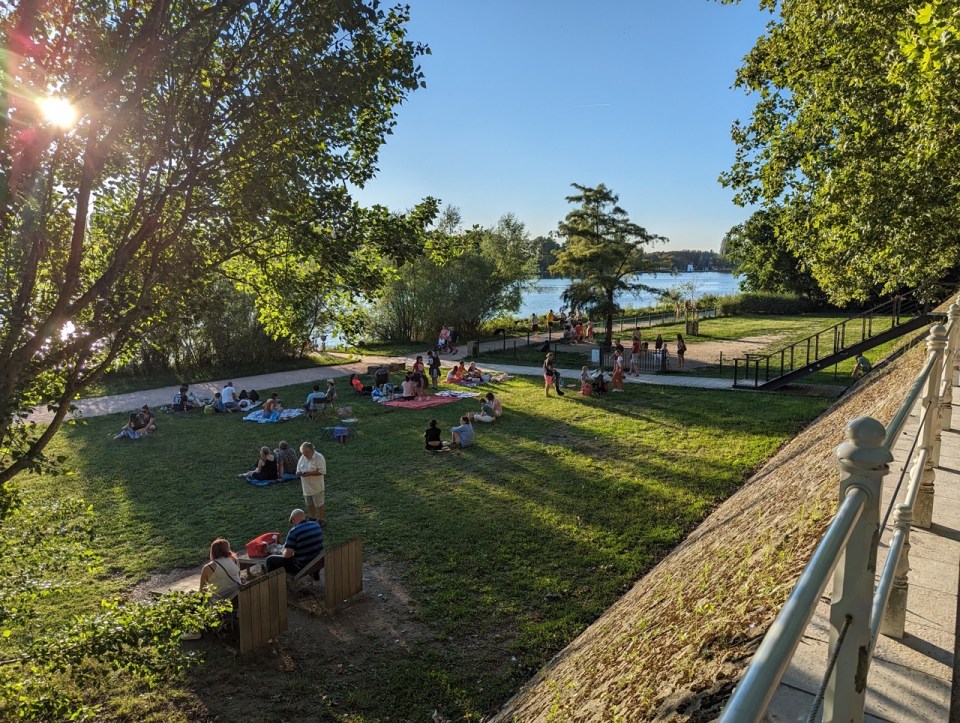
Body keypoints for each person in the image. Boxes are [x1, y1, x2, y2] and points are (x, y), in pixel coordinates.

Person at [264, 509, 324, 576]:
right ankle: (316, 575)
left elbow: (287, 555)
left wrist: (282, 550)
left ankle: (273, 584)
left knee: (270, 560)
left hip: (301, 566)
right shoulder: (316, 525)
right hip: (317, 562)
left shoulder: (294, 532)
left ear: (293, 520)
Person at [296, 442, 326, 523]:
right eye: (303, 453)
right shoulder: (303, 457)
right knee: (309, 504)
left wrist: (310, 473)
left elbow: (322, 471)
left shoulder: (319, 457)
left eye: (305, 453)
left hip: (316, 486)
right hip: (306, 487)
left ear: (311, 451)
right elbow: (298, 468)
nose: (304, 455)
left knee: (319, 504)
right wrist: (298, 472)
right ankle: (312, 517)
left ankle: (321, 519)